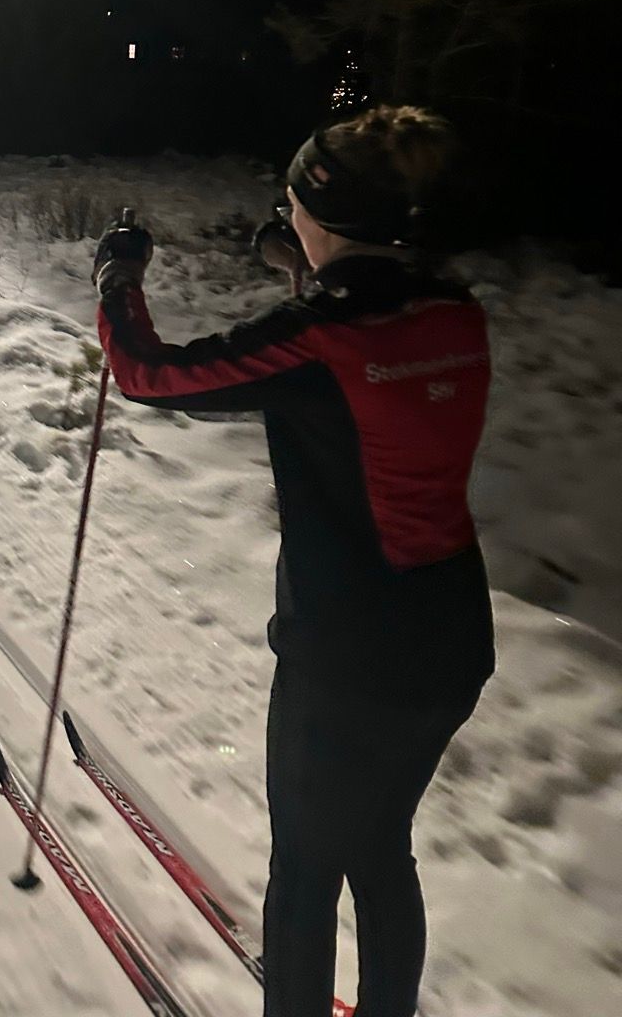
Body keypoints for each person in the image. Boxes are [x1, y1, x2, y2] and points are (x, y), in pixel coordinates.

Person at [93, 105, 494, 1017]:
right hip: (451, 643)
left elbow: (152, 374)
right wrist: (306, 265)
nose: (286, 218)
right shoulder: (453, 306)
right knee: (381, 848)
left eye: (293, 205)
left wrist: (118, 277)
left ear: (324, 214)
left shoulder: (317, 335)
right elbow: (375, 313)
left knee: (306, 872)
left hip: (346, 657)